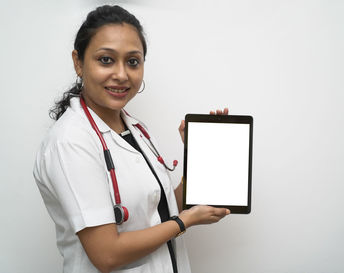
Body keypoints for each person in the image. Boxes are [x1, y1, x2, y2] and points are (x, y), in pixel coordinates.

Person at [33, 5, 230, 273]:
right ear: (78, 62)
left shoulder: (134, 128)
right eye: (106, 60)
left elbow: (159, 207)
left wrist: (198, 160)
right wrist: (185, 222)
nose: (122, 74)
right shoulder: (70, 142)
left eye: (133, 61)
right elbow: (106, 255)